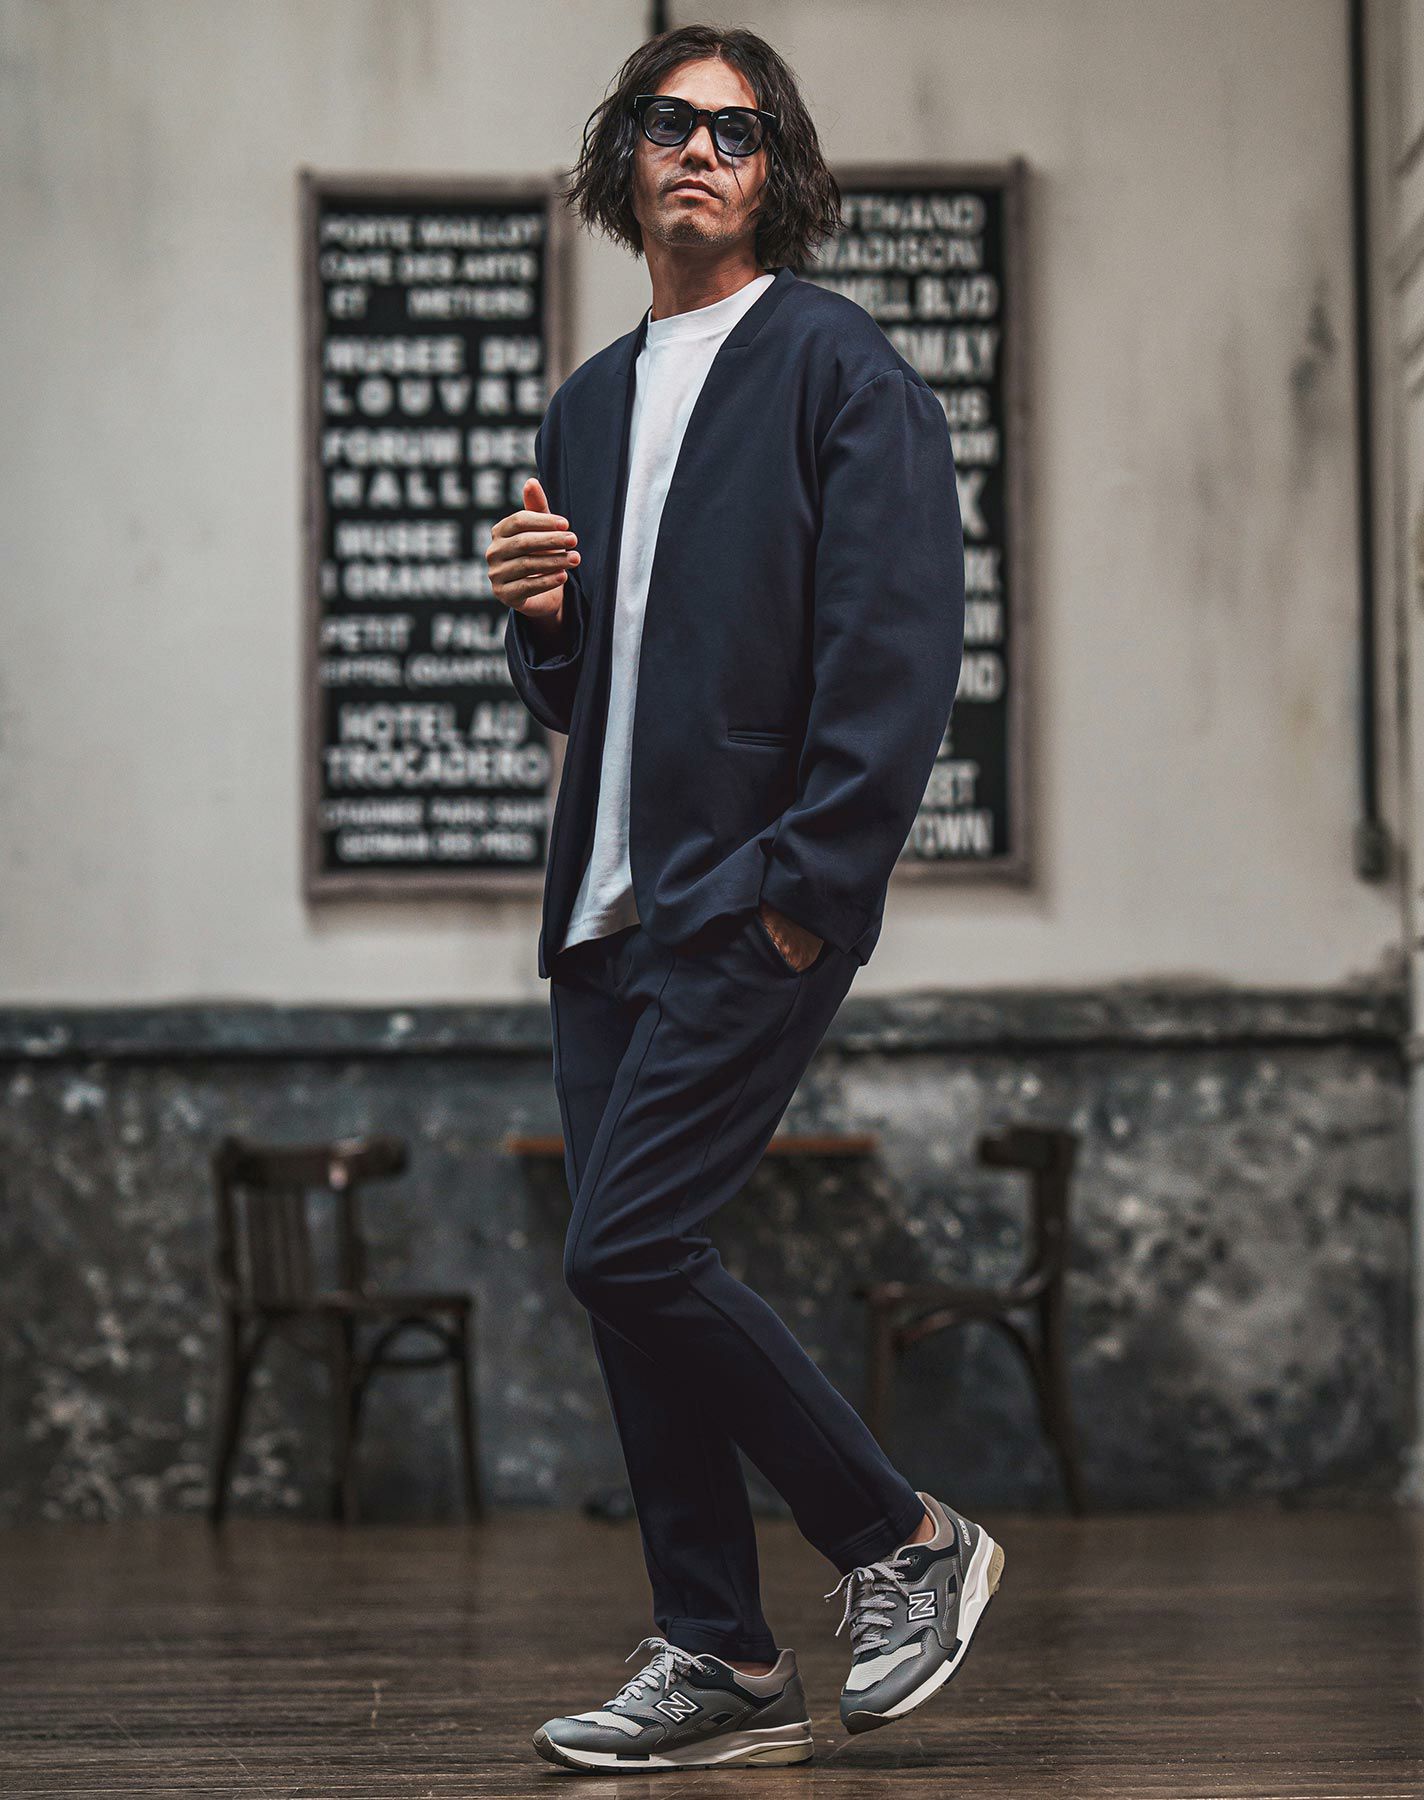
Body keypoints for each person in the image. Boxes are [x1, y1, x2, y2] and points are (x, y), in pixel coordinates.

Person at [488, 23, 1002, 1774]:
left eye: (737, 127)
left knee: (625, 1245)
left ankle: (903, 1539)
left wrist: (809, 890)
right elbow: (591, 696)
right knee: (631, 1286)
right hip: (605, 915)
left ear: (774, 170)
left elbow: (898, 652)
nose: (700, 148)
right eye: (669, 121)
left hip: (747, 897)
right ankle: (717, 1648)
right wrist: (542, 621)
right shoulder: (588, 403)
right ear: (621, 159)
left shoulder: (837, 368)